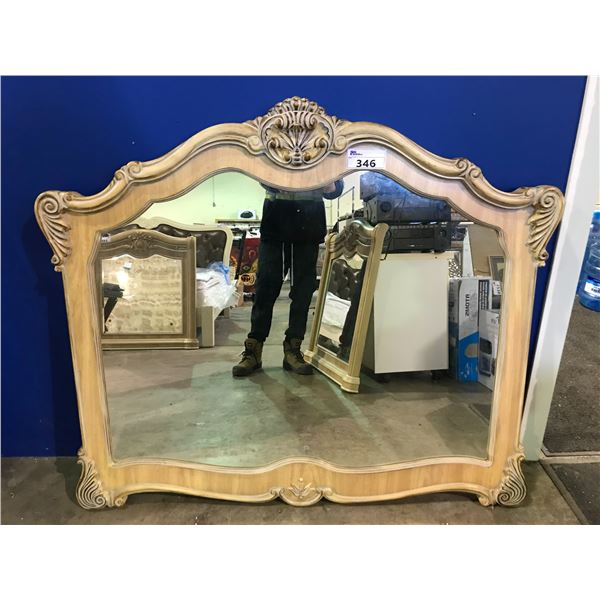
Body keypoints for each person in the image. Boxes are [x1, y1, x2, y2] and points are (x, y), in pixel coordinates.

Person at [232, 180, 344, 377]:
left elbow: (336, 186)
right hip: (276, 224)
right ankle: (253, 350)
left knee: (303, 292)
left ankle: (293, 349)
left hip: (308, 226)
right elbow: (264, 174)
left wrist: (332, 186)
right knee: (265, 290)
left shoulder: (324, 156)